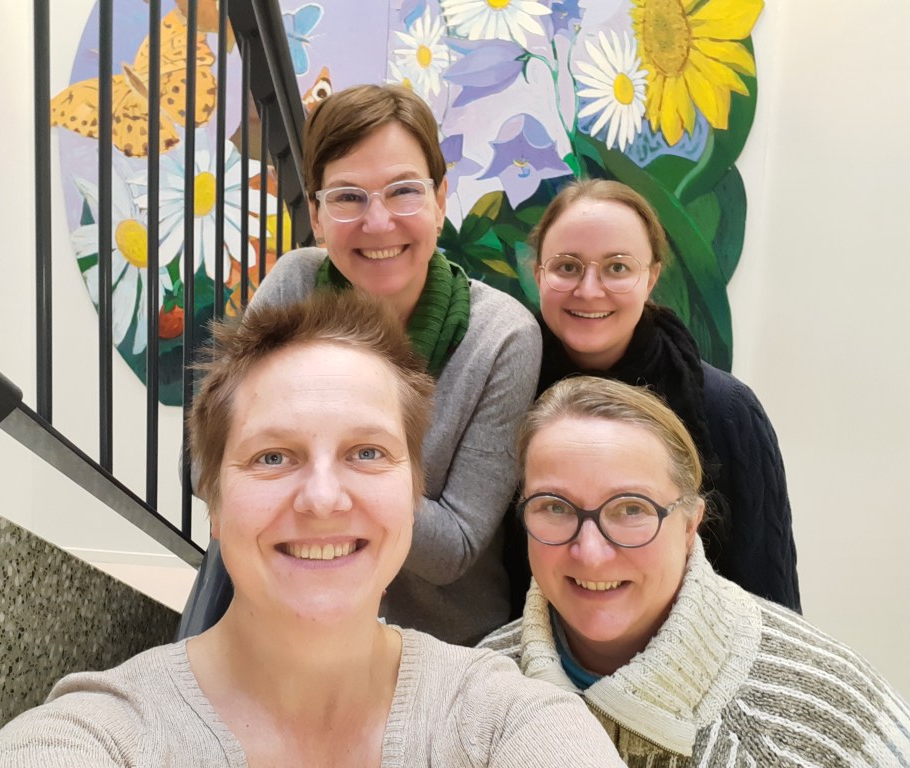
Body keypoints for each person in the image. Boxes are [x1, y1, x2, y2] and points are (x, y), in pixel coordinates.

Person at [0, 292, 624, 767]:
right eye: (272, 457)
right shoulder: (101, 738)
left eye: (366, 452)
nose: (321, 498)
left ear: (412, 492)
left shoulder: (504, 721)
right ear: (215, 504)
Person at [179, 83, 542, 645]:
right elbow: (206, 461)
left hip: (434, 647)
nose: (378, 222)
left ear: (440, 200)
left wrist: (301, 467)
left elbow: (455, 548)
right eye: (348, 197)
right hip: (285, 624)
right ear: (317, 214)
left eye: (404, 191)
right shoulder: (294, 284)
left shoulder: (502, 337)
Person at [480, 376, 910, 765]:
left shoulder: (827, 708)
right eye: (554, 507)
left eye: (631, 509)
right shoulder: (478, 692)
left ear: (689, 525)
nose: (591, 554)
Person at [517, 178, 799, 611]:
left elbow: (770, 602)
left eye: (617, 268)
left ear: (650, 277)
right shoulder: (504, 393)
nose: (589, 290)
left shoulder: (726, 410)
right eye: (567, 267)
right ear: (538, 274)